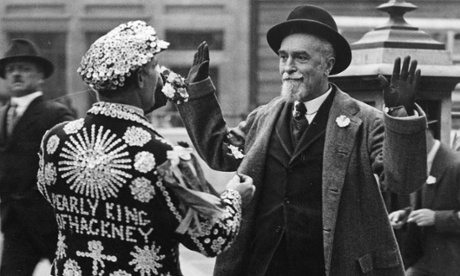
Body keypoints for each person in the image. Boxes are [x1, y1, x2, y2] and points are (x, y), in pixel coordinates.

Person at [176, 5, 429, 276]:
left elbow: (402, 180)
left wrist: (400, 117)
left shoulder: (366, 121)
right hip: (263, 266)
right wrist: (199, 91)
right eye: (283, 57)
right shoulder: (265, 116)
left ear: (327, 65)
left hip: (331, 266)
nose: (288, 68)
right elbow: (220, 152)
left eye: (300, 58)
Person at [37, 20, 254, 276]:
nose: (161, 75)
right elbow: (213, 238)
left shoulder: (55, 139)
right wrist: (234, 196)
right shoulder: (168, 157)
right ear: (140, 77)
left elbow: (51, 194)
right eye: (155, 68)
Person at [0, 38, 75, 275]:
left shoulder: (55, 113)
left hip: (52, 223)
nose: (16, 75)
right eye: (11, 70)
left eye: (24, 68)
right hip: (15, 225)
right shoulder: (1, 115)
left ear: (40, 75)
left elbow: (72, 165)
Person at [389, 124, 460, 276]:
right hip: (427, 261)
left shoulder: (456, 164)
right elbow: (432, 203)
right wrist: (406, 215)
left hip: (452, 263)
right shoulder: (424, 161)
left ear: (425, 135)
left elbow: (435, 212)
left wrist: (436, 218)